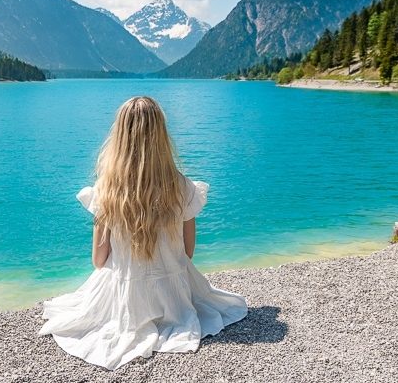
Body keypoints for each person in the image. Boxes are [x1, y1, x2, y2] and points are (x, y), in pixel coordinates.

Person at [38, 96, 248, 370]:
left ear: (120, 136)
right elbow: (188, 253)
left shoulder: (107, 190)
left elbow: (99, 261)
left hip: (126, 298)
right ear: (162, 136)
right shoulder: (183, 188)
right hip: (175, 295)